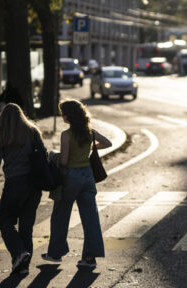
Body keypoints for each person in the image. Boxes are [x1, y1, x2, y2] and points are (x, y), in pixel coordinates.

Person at [44, 99, 111, 269]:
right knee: (90, 218)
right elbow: (107, 143)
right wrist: (88, 148)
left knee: (61, 215)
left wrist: (53, 156)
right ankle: (89, 258)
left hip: (71, 177)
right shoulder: (89, 131)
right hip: (88, 176)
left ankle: (55, 254)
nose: (62, 116)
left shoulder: (66, 135)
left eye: (63, 113)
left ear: (68, 116)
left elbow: (64, 161)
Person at [0, 103, 44, 276]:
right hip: (34, 185)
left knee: (4, 222)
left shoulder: (2, 134)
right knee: (26, 228)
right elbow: (43, 157)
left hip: (15, 184)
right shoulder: (33, 131)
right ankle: (23, 265)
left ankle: (19, 254)